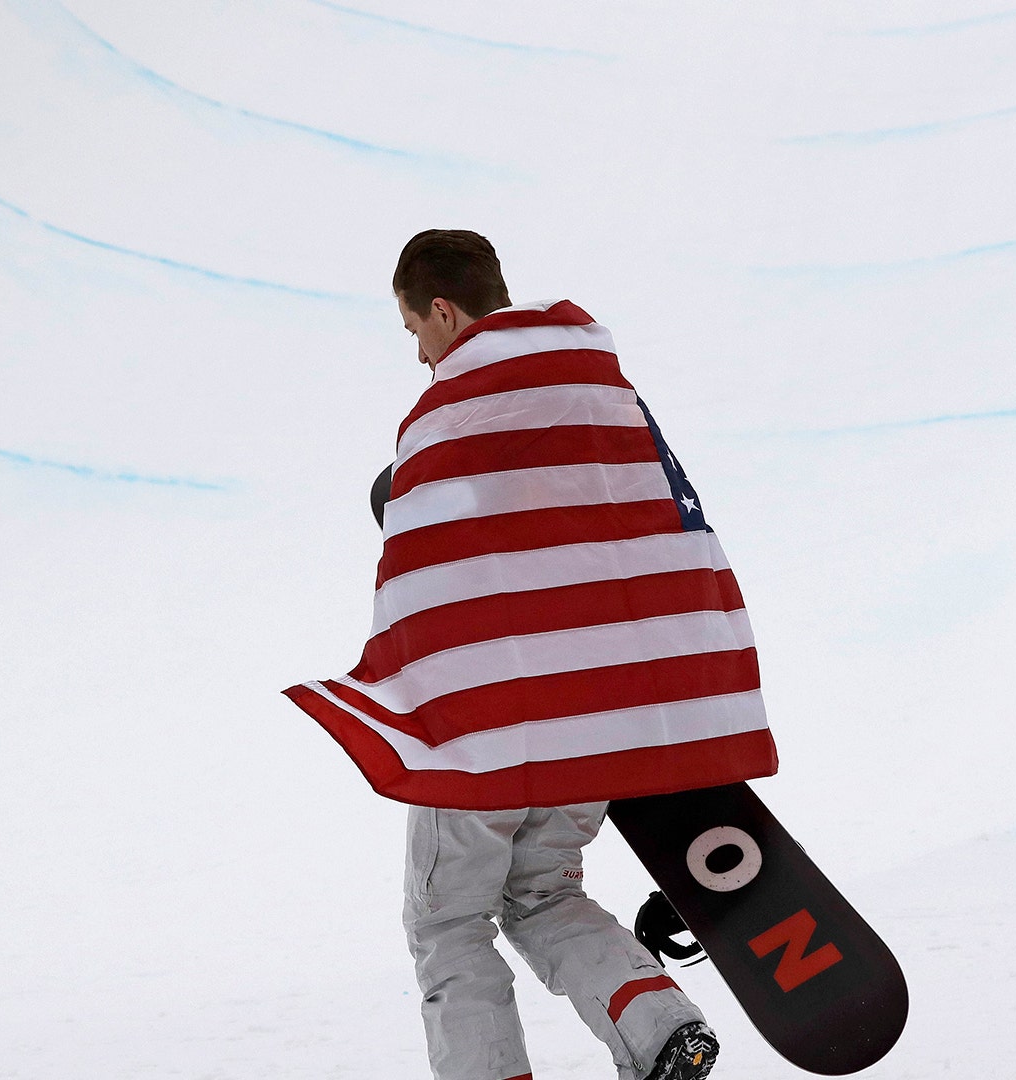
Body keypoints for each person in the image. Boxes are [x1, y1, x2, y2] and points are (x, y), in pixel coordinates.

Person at [285, 229, 778, 1080]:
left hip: (489, 725)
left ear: (443, 310)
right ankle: (663, 1029)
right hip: (593, 721)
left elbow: (425, 579)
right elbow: (662, 533)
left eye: (414, 329)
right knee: (544, 893)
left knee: (447, 920)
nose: (419, 353)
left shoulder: (448, 413)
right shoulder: (604, 392)